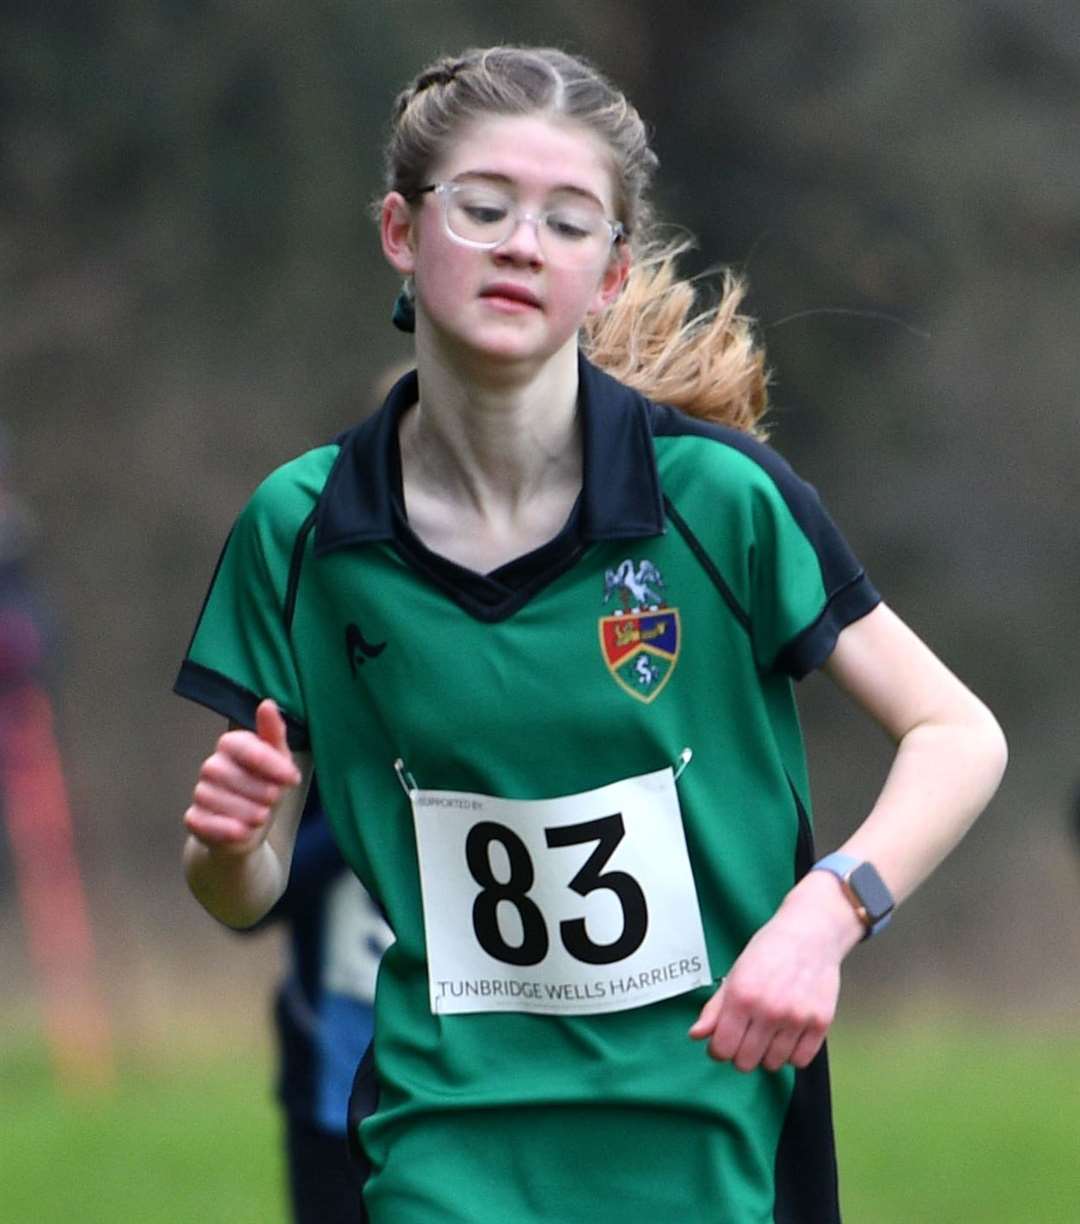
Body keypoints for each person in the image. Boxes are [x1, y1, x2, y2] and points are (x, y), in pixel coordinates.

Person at [175, 45, 1007, 1223]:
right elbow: (245, 892)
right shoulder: (304, 529)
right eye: (484, 206)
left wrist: (824, 915)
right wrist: (227, 846)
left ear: (610, 274)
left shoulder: (720, 501)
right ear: (402, 234)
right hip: (440, 1146)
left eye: (568, 222)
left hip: (717, 1133)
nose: (522, 243)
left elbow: (958, 733)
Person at [243, 778, 390, 1224]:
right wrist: (363, 807)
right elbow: (246, 905)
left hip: (464, 1068)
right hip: (331, 1062)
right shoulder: (321, 743)